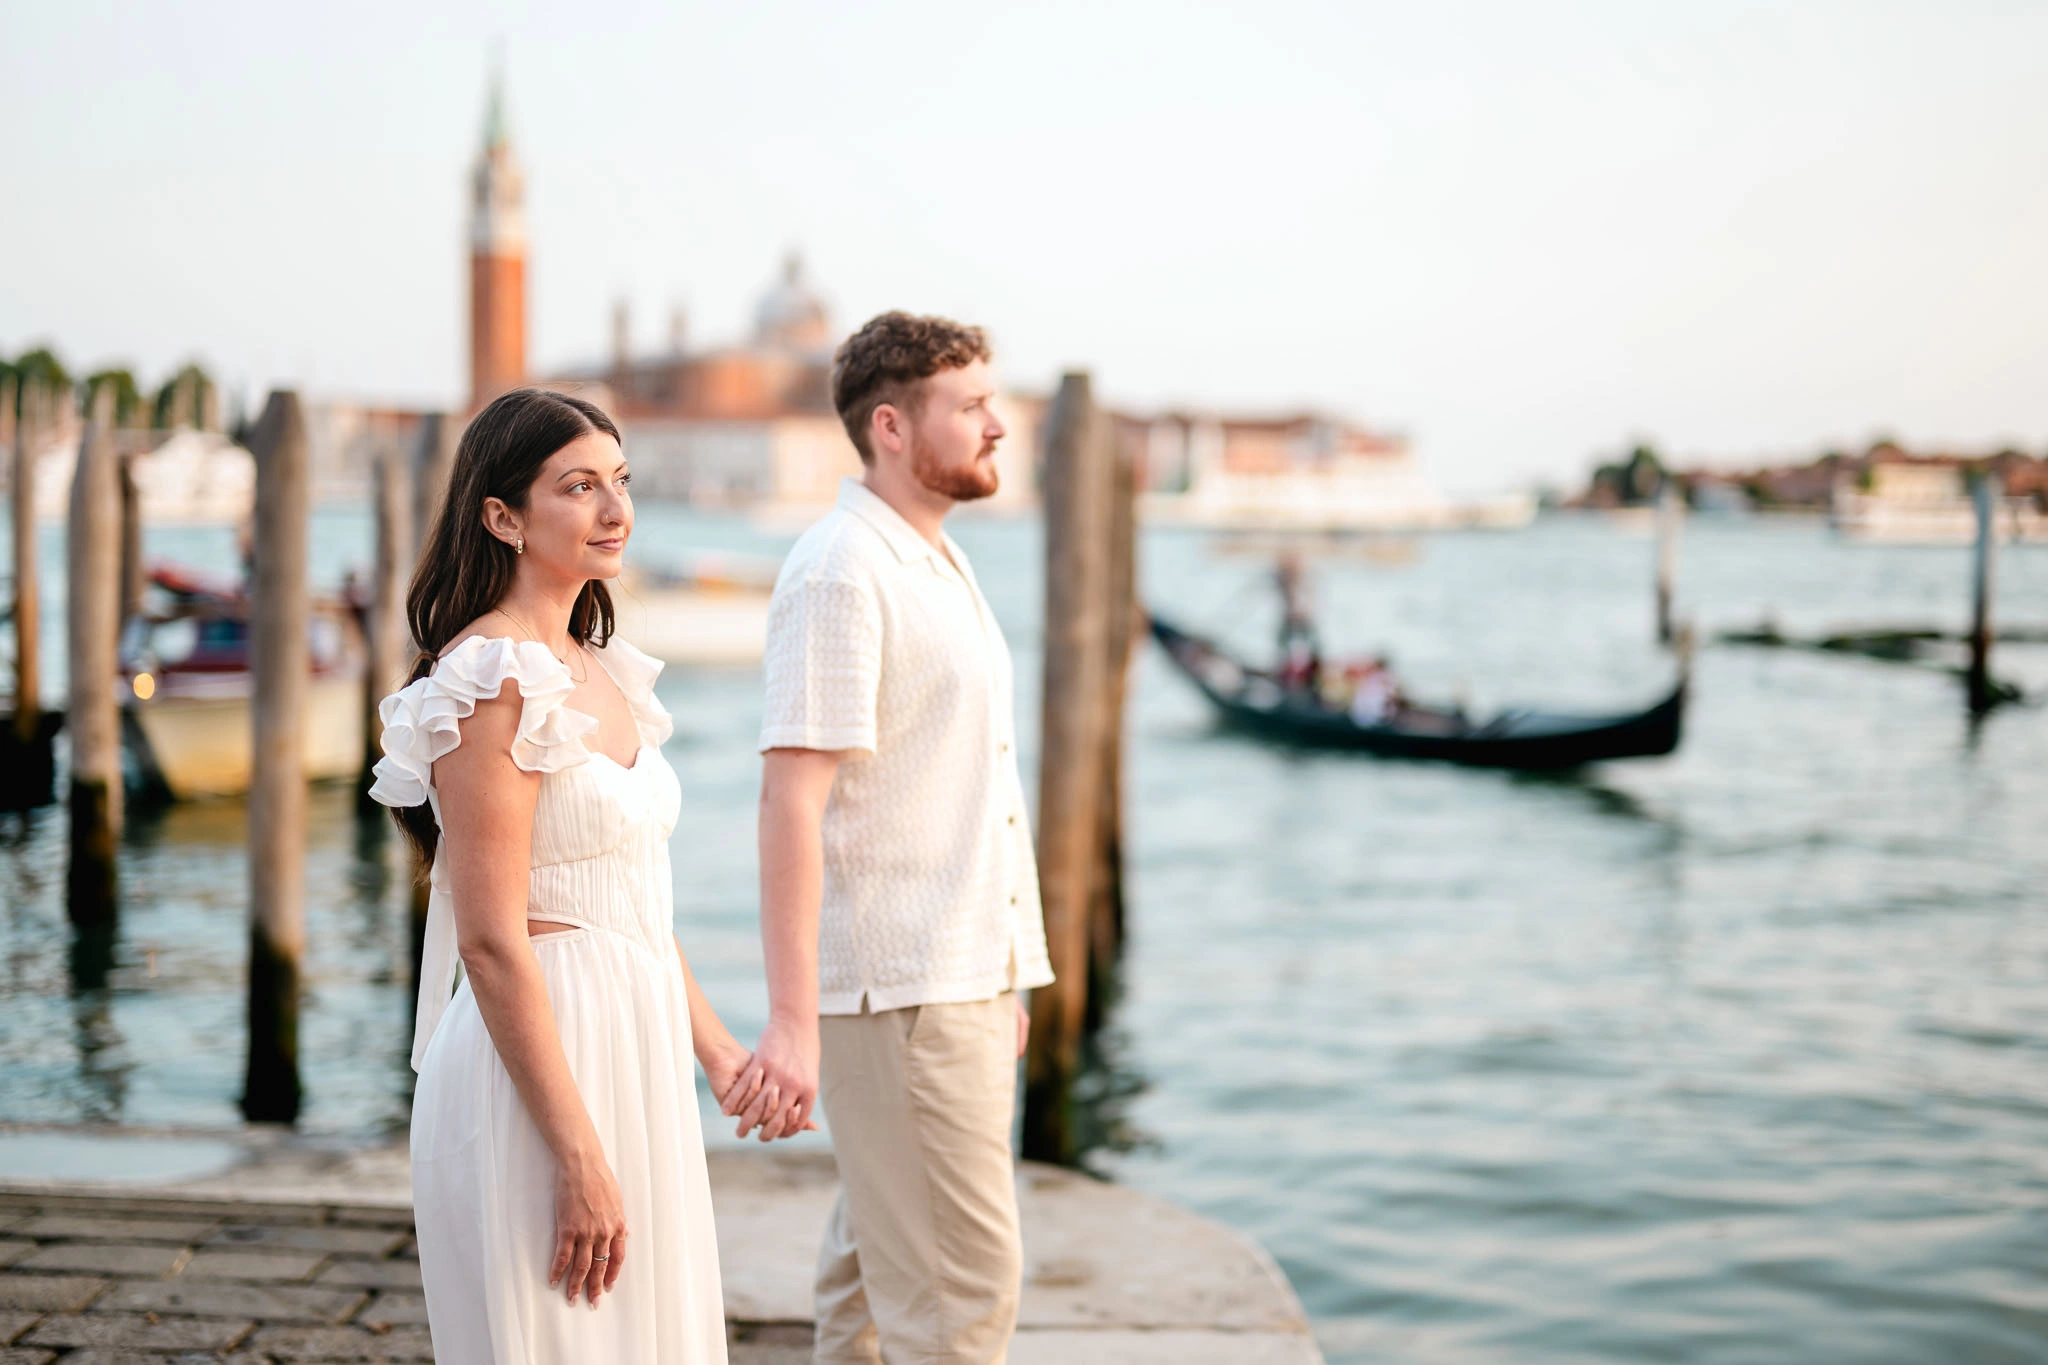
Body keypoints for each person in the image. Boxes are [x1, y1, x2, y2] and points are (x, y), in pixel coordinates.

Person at [370, 388, 775, 1364]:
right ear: (502, 516)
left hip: (634, 1054)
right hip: (542, 1073)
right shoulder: (489, 676)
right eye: (578, 486)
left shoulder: (599, 667)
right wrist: (578, 1153)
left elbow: (631, 895)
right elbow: (489, 934)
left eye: (621, 483)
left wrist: (716, 1055)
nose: (614, 511)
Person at [724, 312, 1054, 1364]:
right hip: (900, 990)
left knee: (871, 1281)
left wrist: (1000, 972)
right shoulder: (840, 573)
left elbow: (957, 790)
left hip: (950, 979)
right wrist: (789, 1021)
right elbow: (790, 801)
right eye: (970, 406)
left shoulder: (929, 559)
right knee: (959, 1301)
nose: (997, 427)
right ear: (891, 428)